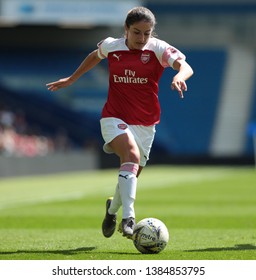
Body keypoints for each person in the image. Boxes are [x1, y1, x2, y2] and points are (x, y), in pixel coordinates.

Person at [46, 6, 193, 239]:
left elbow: (186, 66)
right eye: (136, 32)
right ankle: (129, 218)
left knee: (131, 171)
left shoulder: (158, 49)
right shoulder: (112, 45)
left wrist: (178, 76)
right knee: (131, 157)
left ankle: (112, 211)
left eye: (147, 33)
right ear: (126, 29)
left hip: (146, 123)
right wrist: (72, 78)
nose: (142, 38)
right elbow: (95, 56)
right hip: (114, 117)